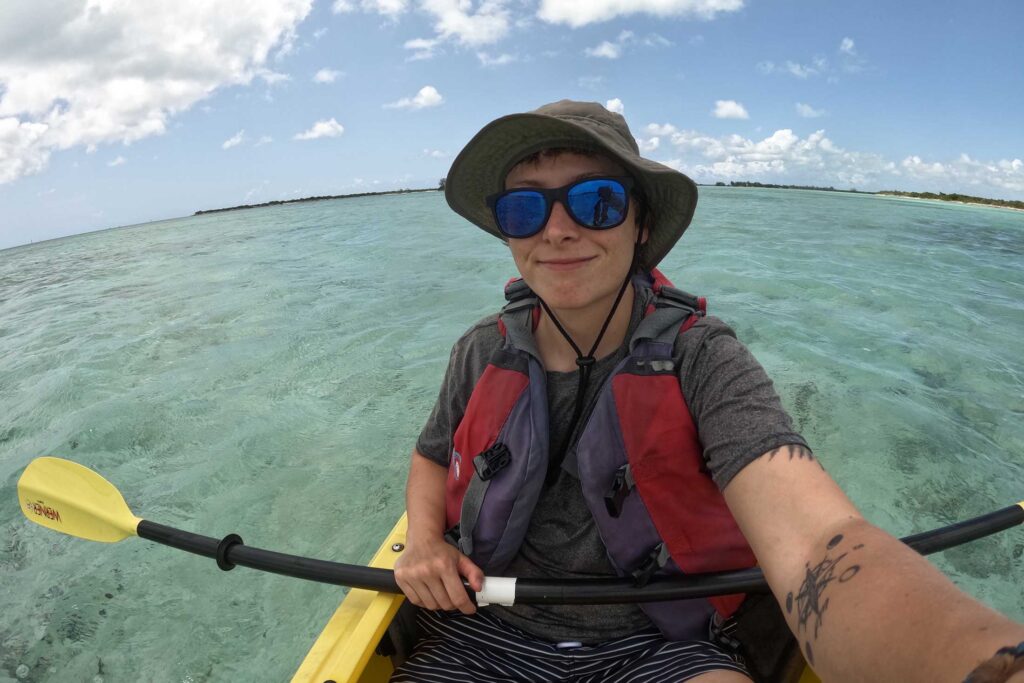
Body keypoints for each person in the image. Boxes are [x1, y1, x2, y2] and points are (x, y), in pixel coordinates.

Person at [392, 100, 1024, 682]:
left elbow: (814, 540)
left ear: (640, 224)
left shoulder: (701, 356)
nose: (556, 231)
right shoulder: (482, 349)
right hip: (487, 630)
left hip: (664, 640)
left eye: (597, 202)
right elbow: (431, 453)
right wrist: (423, 542)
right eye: (526, 209)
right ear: (508, 232)